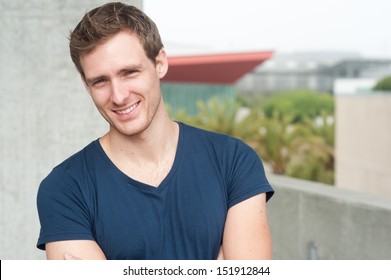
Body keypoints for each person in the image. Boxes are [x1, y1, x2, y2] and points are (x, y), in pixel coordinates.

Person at [36, 2, 274, 260]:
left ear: (160, 63)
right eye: (100, 81)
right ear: (86, 84)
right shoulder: (65, 188)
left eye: (129, 72)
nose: (118, 96)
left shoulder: (233, 161)